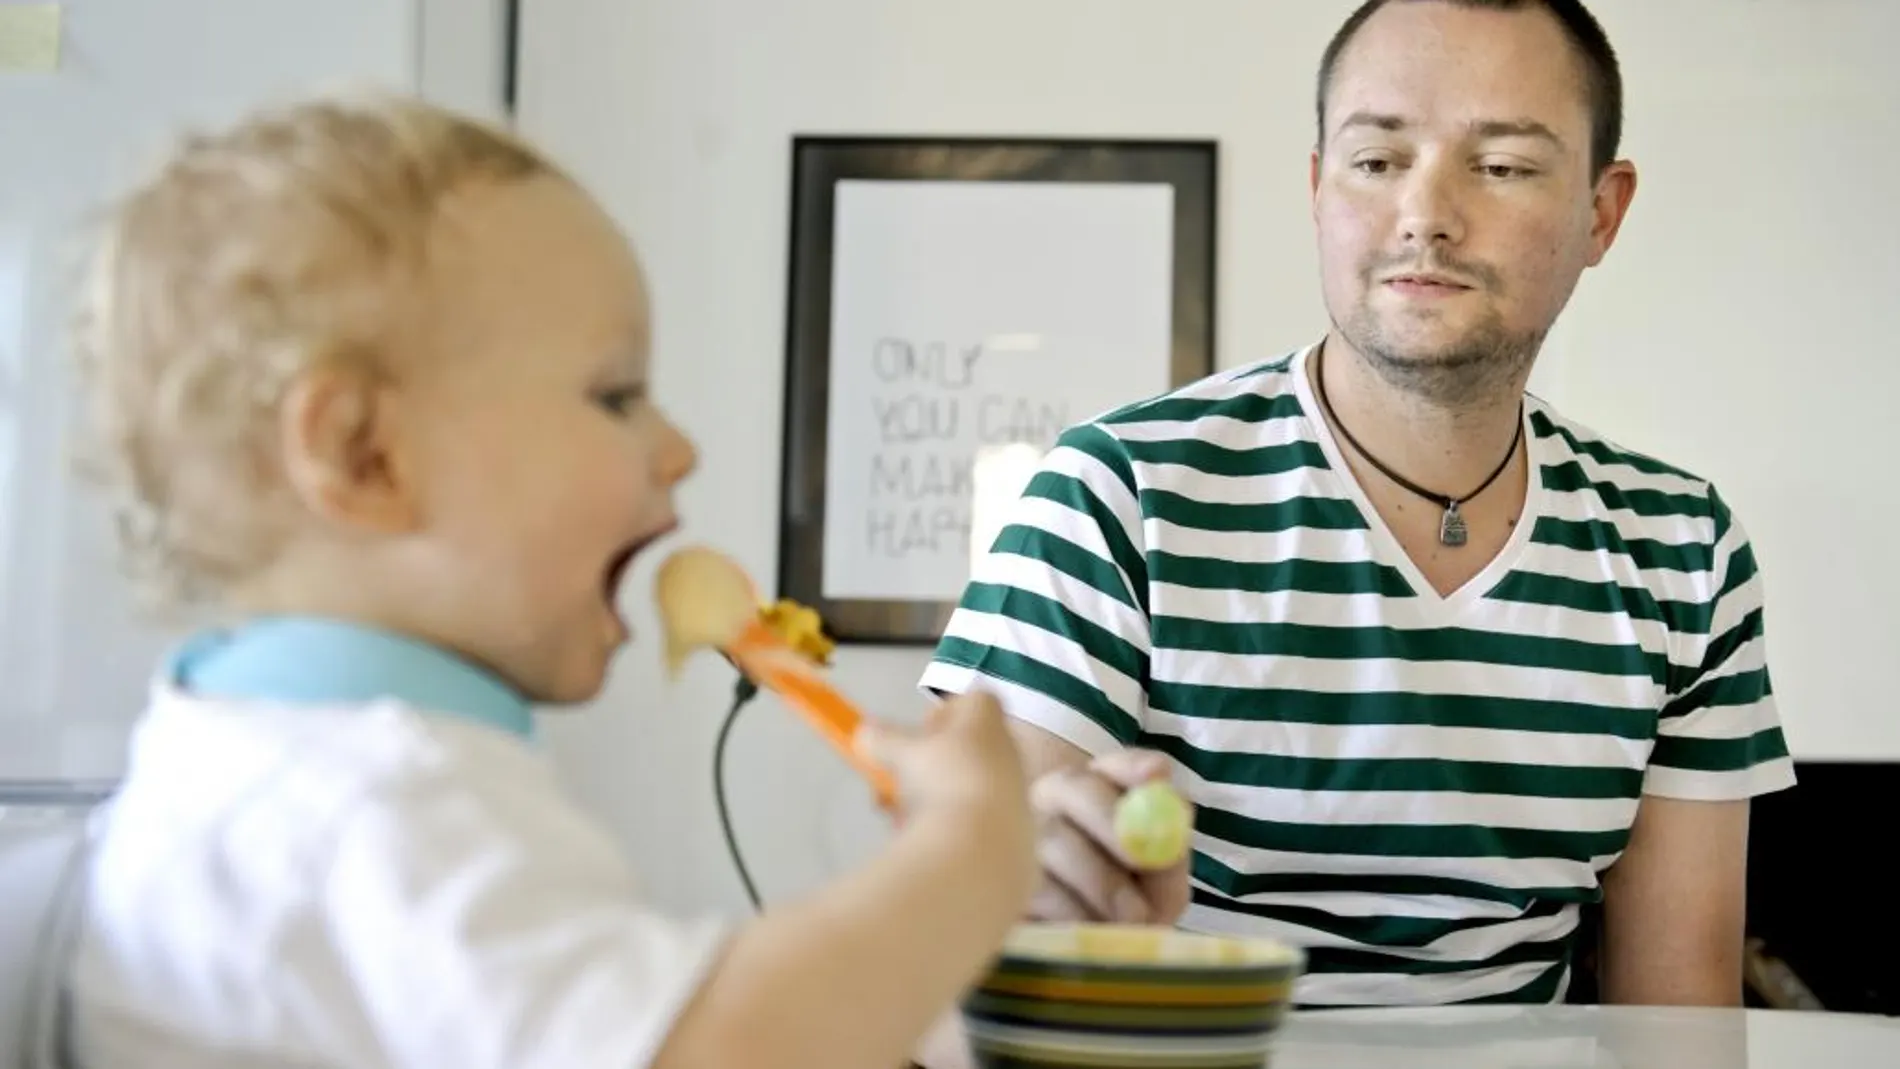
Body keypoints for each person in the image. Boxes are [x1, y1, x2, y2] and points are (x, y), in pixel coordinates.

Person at [61, 90, 1037, 1069]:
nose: (681, 448)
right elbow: (721, 1052)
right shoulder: (380, 801)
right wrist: (966, 851)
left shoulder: (256, 754)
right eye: (615, 395)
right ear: (365, 457)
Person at [920, 0, 1795, 1017]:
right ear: (1316, 188)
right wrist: (1006, 897)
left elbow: (1675, 1019)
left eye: (1502, 166)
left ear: (1601, 212)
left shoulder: (1682, 549)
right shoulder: (1116, 494)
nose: (1425, 213)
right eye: (1376, 161)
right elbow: (955, 964)